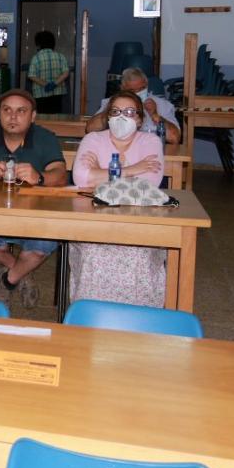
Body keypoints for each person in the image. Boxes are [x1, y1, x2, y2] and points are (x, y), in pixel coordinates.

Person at [0, 89, 69, 310]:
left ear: (33, 116)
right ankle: (22, 273)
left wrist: (40, 177)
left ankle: (8, 280)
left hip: (36, 217)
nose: (13, 117)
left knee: (46, 241)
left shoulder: (46, 138)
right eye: (7, 110)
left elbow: (61, 175)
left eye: (21, 111)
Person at [70, 90, 167, 307]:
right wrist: (133, 169)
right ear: (107, 117)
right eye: (115, 111)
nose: (121, 117)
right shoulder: (93, 139)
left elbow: (150, 182)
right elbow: (80, 177)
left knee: (137, 255)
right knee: (94, 253)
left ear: (140, 119)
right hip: (94, 220)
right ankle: (90, 316)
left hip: (139, 221)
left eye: (129, 112)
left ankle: (138, 317)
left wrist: (99, 173)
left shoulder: (150, 141)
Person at [84, 67, 181, 144]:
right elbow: (90, 128)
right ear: (122, 88)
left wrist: (155, 115)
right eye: (132, 90)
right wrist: (112, 110)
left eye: (142, 88)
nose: (138, 93)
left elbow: (174, 138)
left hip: (151, 151)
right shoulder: (112, 103)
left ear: (146, 84)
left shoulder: (162, 104)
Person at [27, 30, 70, 114]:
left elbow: (31, 75)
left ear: (38, 45)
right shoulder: (60, 56)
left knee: (42, 117)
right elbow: (66, 73)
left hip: (40, 93)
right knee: (56, 116)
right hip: (57, 93)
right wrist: (54, 84)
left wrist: (45, 84)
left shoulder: (36, 58)